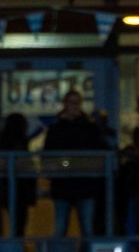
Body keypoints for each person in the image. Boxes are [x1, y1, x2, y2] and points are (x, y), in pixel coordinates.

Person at [44, 89, 109, 237]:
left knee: (87, 228)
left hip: (83, 184)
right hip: (64, 185)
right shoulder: (56, 129)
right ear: (65, 104)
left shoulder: (90, 129)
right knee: (61, 227)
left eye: (77, 103)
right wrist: (67, 164)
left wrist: (67, 164)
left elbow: (98, 154)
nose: (74, 106)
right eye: (71, 103)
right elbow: (49, 158)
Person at [0, 112, 36, 237]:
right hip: (19, 188)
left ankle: (16, 244)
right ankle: (17, 245)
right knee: (19, 222)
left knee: (16, 221)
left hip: (13, 187)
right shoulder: (19, 141)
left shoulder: (4, 141)